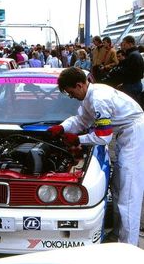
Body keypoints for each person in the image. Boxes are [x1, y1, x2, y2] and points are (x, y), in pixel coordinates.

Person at [47, 67, 144, 246]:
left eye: (70, 93)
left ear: (79, 85)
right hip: (125, 134)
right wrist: (62, 128)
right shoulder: (88, 98)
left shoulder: (99, 99)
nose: (71, 96)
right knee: (117, 188)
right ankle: (118, 233)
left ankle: (128, 247)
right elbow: (80, 121)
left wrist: (77, 139)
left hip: (135, 133)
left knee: (128, 193)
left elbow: (103, 137)